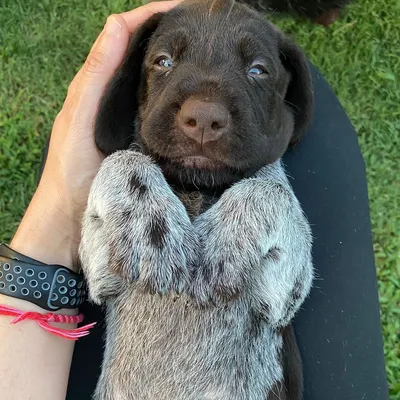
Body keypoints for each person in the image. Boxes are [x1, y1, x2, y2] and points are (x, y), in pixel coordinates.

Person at [0, 2, 389, 399]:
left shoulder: (265, 189)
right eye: (165, 61)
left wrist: (264, 198)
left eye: (256, 70)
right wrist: (117, 172)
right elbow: (101, 281)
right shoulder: (129, 175)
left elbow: (280, 299)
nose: (203, 113)